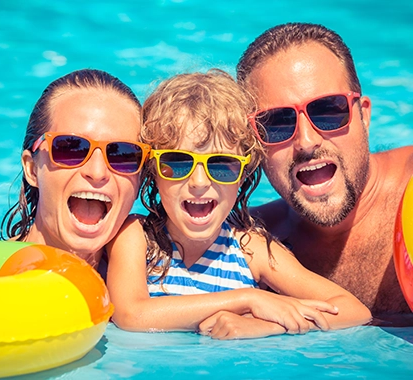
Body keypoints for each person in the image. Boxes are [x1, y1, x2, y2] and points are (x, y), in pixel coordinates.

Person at [106, 69, 371, 340]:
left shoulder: (249, 249)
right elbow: (132, 315)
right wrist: (247, 300)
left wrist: (269, 325)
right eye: (178, 162)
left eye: (221, 165)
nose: (199, 182)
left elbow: (353, 310)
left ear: (243, 174)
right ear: (153, 171)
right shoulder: (136, 238)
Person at [236, 22, 413, 315]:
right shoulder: (244, 243)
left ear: (364, 115)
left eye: (328, 110)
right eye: (277, 123)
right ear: (253, 142)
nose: (306, 141)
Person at [0, 69, 149, 271]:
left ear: (140, 180)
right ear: (32, 169)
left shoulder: (163, 287)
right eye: (71, 148)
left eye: (123, 155)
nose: (97, 171)